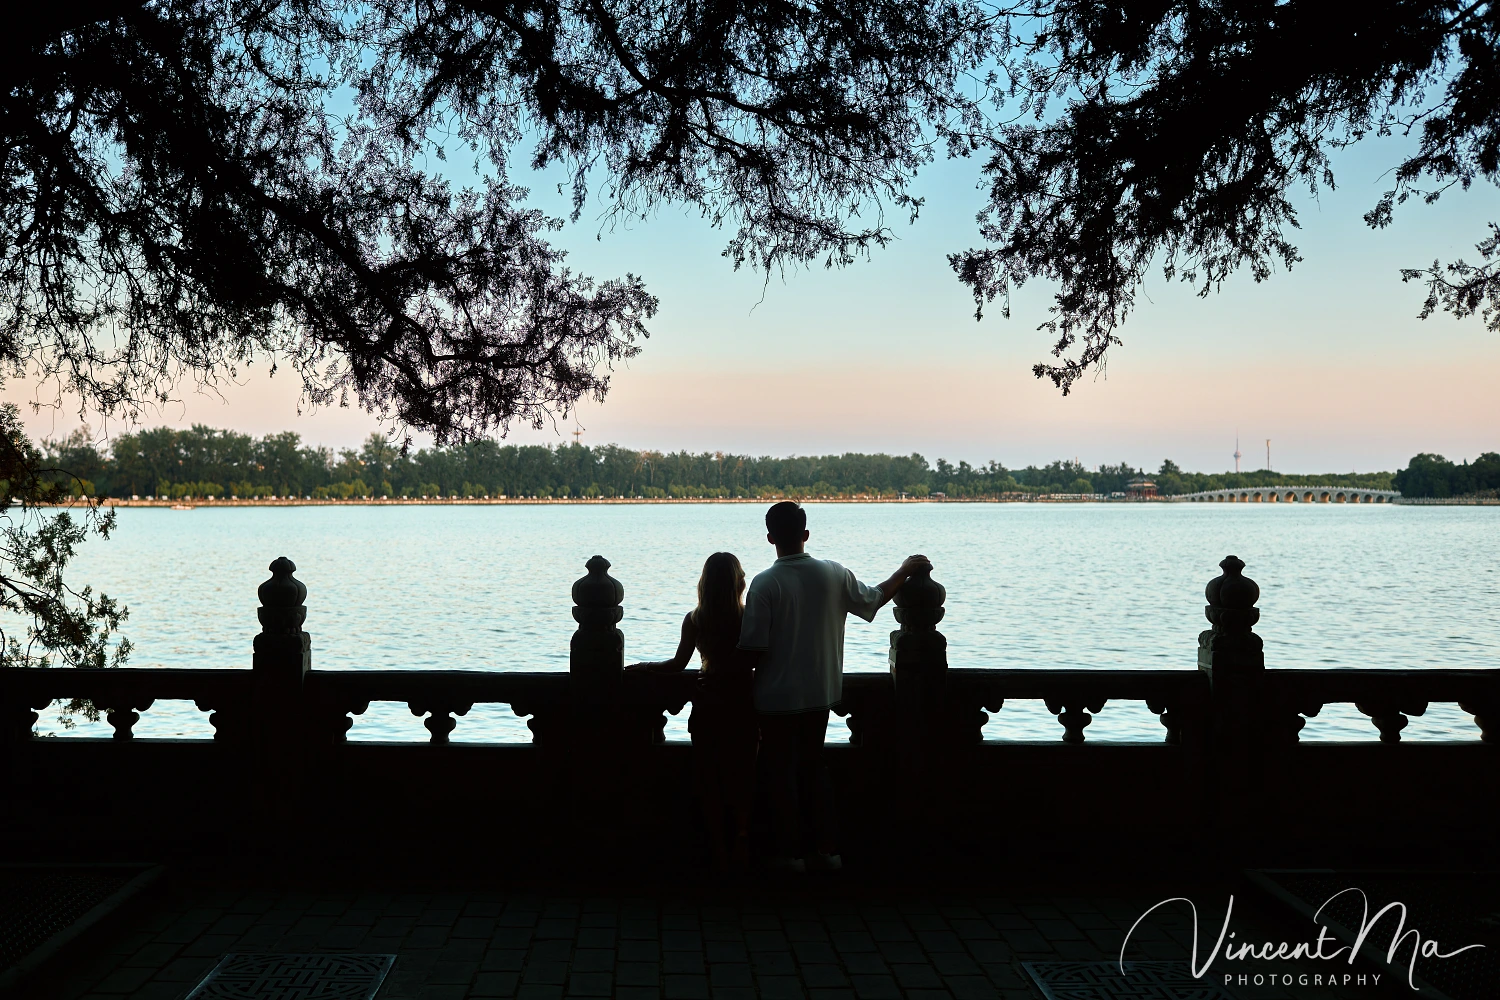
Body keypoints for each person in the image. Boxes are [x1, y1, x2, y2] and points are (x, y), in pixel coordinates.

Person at [738, 501, 930, 872]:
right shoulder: (833, 574)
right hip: (820, 694)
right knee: (813, 769)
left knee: (780, 775)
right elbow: (874, 599)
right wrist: (905, 570)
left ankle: (788, 855)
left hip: (775, 701)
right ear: (806, 535)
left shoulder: (764, 583)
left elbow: (752, 651)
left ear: (770, 537)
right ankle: (827, 852)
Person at [626, 552, 758, 871]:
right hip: (743, 708)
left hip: (708, 707)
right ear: (739, 582)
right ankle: (742, 840)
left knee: (709, 780)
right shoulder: (750, 617)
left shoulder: (696, 619)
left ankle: (717, 849)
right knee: (744, 779)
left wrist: (643, 667)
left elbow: (677, 665)